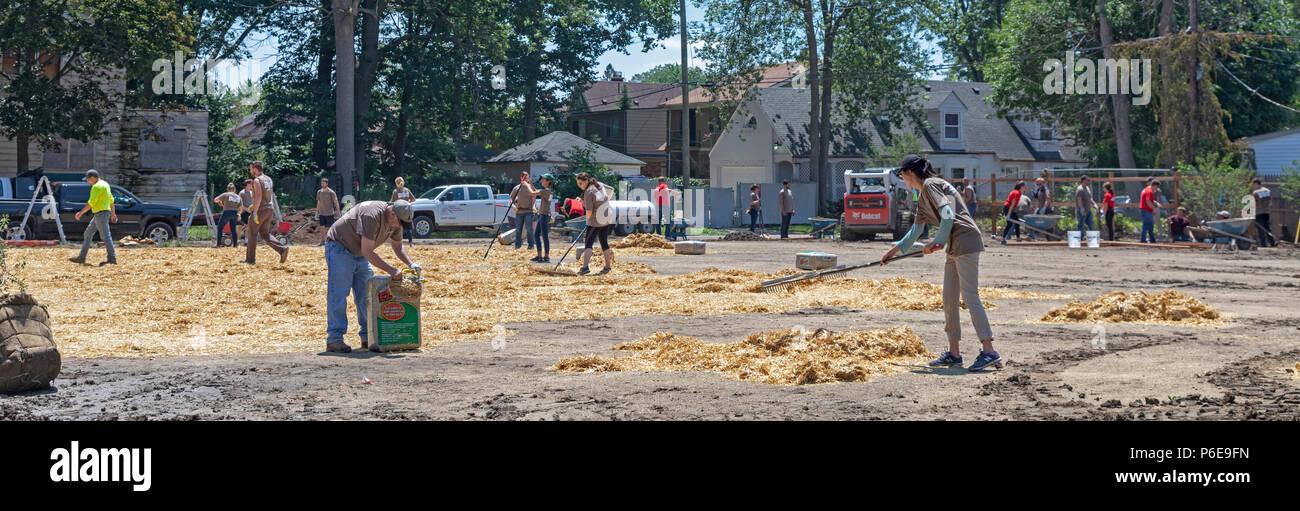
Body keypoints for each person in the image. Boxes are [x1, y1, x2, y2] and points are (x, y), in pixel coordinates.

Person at [881, 155, 1000, 372]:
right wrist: (893, 251)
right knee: (949, 298)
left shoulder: (931, 185)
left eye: (901, 175)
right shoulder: (923, 194)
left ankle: (989, 350)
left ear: (909, 172)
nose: (902, 179)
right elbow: (915, 230)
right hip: (954, 244)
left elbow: (947, 214)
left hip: (965, 240)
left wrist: (938, 240)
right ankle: (954, 353)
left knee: (970, 296)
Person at [322, 200, 419, 353]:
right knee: (339, 293)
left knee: (366, 296)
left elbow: (398, 246)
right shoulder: (372, 215)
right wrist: (391, 270)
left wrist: (411, 264)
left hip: (359, 252)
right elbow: (368, 251)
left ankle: (369, 336)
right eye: (400, 223)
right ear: (392, 213)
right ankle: (334, 339)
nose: (400, 227)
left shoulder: (397, 221)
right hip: (340, 247)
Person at [244, 161, 289, 264]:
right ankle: (282, 249)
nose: (250, 171)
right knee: (265, 234)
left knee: (252, 233)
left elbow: (259, 196)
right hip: (270, 209)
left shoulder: (257, 180)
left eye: (251, 169)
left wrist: (254, 212)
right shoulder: (268, 179)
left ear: (255, 169)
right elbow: (269, 195)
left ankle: (250, 260)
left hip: (261, 210)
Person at [69, 169, 117, 265]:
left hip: (101, 214)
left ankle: (112, 259)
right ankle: (81, 257)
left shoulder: (96, 187)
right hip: (101, 214)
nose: (87, 182)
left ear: (92, 178)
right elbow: (111, 200)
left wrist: (80, 213)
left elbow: (91, 203)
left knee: (106, 236)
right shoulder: (105, 184)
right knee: (88, 233)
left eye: (87, 179)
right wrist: (113, 214)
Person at [577, 172, 615, 275]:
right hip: (606, 217)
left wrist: (588, 221)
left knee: (588, 243)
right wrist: (605, 202)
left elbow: (589, 212)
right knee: (604, 242)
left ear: (586, 181)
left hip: (595, 220)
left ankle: (585, 267)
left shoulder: (588, 192)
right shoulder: (600, 184)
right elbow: (612, 189)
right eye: (578, 183)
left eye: (581, 183)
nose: (579, 186)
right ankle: (607, 266)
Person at [510, 171, 539, 250]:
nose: (526, 179)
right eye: (524, 177)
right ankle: (517, 245)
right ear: (521, 178)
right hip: (519, 211)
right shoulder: (517, 188)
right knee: (518, 229)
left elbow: (535, 193)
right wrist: (513, 205)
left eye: (527, 177)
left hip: (529, 211)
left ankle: (531, 245)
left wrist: (530, 182)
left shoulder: (530, 187)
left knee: (529, 229)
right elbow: (511, 198)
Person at [531, 174, 555, 263]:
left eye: (543, 180)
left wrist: (526, 185)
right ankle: (540, 256)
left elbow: (532, 193)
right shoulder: (547, 191)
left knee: (543, 236)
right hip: (544, 215)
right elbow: (535, 191)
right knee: (538, 235)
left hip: (544, 216)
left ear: (548, 181)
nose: (542, 181)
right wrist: (529, 182)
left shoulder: (545, 191)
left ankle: (545, 256)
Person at [213, 182, 242, 248]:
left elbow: (215, 200)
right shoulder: (238, 197)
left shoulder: (226, 194)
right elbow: (240, 207)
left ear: (228, 189)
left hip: (227, 212)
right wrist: (239, 214)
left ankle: (218, 244)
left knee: (220, 228)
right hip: (235, 213)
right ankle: (235, 245)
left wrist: (219, 202)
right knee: (233, 229)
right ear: (234, 189)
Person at [390, 177, 415, 245]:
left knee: (397, 227)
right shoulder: (407, 190)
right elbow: (413, 199)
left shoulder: (396, 191)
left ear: (396, 184)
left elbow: (392, 202)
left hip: (399, 211)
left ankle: (397, 242)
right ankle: (410, 242)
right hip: (407, 211)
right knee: (408, 228)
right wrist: (407, 202)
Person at [1252, 179, 1276, 247]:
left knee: (1260, 229)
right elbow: (1270, 201)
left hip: (1259, 212)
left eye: (1254, 184)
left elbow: (1255, 203)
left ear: (1256, 184)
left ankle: (1263, 244)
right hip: (1267, 212)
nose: (1253, 186)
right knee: (1267, 227)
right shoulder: (1268, 191)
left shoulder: (1255, 192)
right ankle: (1272, 243)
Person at [317, 178, 340, 246]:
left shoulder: (331, 192)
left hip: (329, 213)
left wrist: (338, 212)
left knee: (330, 228)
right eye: (322, 183)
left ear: (327, 184)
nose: (322, 184)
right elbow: (318, 202)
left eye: (324, 183)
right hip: (321, 213)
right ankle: (323, 241)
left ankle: (332, 241)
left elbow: (336, 202)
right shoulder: (319, 192)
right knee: (322, 227)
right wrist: (317, 212)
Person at [1139, 179, 1161, 243]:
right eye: (1156, 187)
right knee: (1146, 225)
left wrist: (1155, 203)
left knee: (1150, 226)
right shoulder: (1149, 191)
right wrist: (1154, 209)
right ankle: (1143, 240)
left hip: (1145, 210)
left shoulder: (1147, 189)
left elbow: (1149, 200)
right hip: (1146, 210)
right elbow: (1148, 201)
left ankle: (1152, 240)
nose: (1156, 189)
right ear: (1154, 185)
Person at [238, 179, 254, 244]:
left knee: (248, 226)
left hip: (250, 212)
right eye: (251, 184)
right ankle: (236, 240)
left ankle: (246, 241)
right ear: (248, 184)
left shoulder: (252, 192)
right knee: (240, 226)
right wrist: (246, 209)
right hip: (243, 212)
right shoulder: (242, 193)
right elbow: (239, 204)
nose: (252, 185)